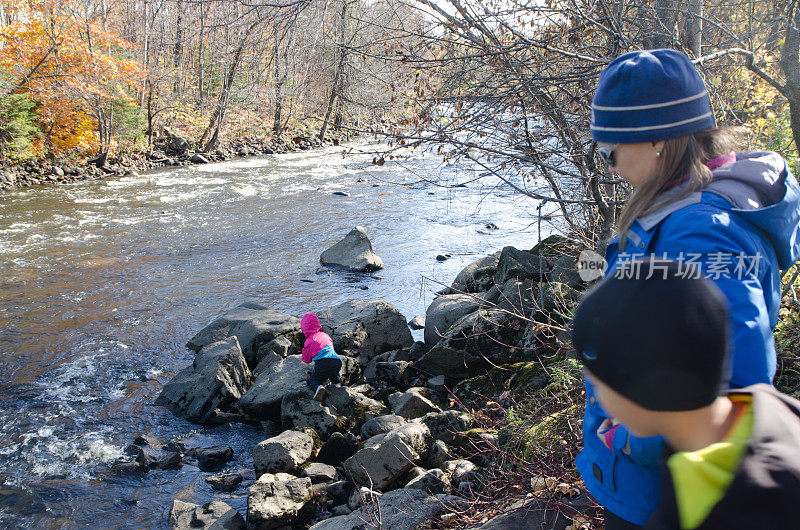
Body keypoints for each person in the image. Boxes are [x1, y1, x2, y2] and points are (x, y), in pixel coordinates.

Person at [582, 48, 800, 527]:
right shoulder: (689, 206)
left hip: (663, 489)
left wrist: (630, 435)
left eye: (609, 149)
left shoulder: (699, 233)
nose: (610, 166)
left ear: (658, 139)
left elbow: (734, 384)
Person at [572, 260, 800, 529]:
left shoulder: (754, 505)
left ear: (643, 391)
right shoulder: (765, 405)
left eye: (598, 382)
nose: (597, 397)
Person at [300, 312, 342, 401]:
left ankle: (318, 387)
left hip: (323, 364)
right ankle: (337, 384)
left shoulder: (309, 341)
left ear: (304, 329)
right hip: (337, 361)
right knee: (333, 371)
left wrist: (305, 351)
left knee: (313, 379)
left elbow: (306, 359)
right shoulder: (325, 335)